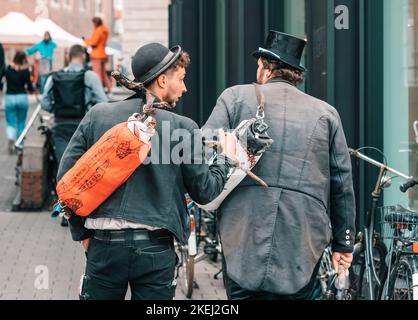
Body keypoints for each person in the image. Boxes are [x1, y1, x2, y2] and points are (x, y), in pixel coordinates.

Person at [57, 42, 236, 300]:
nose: (185, 88)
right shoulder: (183, 127)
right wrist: (226, 159)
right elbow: (205, 192)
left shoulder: (98, 115)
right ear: (162, 80)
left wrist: (82, 233)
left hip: (104, 246)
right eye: (181, 79)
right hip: (156, 250)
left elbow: (66, 181)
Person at [203, 30, 356, 300]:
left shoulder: (235, 97)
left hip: (242, 230)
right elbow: (341, 184)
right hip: (302, 236)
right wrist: (343, 243)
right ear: (295, 74)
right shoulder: (326, 113)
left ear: (266, 67)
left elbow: (202, 149)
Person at [42, 44, 108, 227]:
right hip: (83, 127)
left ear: (69, 56)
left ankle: (65, 213)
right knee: (84, 170)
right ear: (83, 56)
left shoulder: (54, 77)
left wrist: (56, 109)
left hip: (61, 126)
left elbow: (45, 102)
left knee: (64, 170)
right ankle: (84, 210)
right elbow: (103, 102)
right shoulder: (89, 76)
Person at [0, 51, 34, 154]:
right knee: (21, 123)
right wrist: (31, 90)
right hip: (22, 98)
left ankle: (11, 138)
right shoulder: (26, 70)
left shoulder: (7, 68)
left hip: (9, 98)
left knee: (10, 123)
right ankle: (20, 146)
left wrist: (0, 88)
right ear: (23, 59)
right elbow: (30, 87)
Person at [83, 17, 112, 93]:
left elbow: (93, 42)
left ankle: (99, 91)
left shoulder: (98, 30)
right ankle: (109, 89)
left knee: (97, 74)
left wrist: (85, 40)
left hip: (96, 55)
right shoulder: (104, 30)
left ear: (95, 23)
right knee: (104, 74)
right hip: (103, 54)